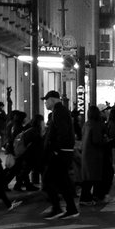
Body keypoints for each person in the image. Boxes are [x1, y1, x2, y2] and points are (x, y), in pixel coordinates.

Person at [41, 90, 79, 220]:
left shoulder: (59, 112)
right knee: (62, 181)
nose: (45, 103)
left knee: (48, 180)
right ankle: (70, 209)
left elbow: (62, 132)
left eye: (46, 101)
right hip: (63, 152)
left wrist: (56, 150)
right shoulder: (60, 111)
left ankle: (57, 208)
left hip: (60, 153)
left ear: (52, 100)